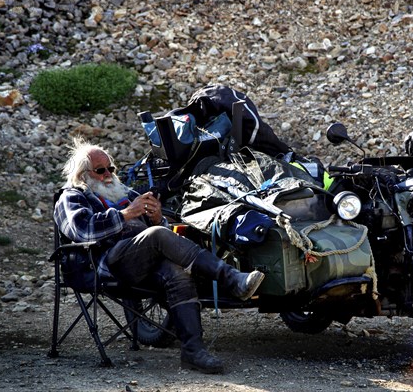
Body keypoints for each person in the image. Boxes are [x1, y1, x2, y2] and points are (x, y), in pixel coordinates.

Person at [54, 137, 265, 374]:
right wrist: (125, 215)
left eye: (110, 169)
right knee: (157, 235)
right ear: (84, 175)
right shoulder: (72, 196)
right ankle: (231, 279)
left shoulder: (125, 192)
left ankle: (193, 352)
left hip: (141, 261)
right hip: (104, 264)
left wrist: (157, 218)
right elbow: (81, 230)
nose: (108, 175)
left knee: (177, 274)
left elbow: (158, 226)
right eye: (100, 170)